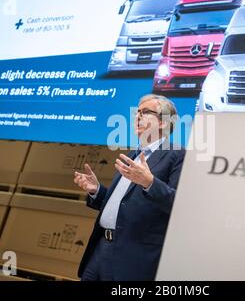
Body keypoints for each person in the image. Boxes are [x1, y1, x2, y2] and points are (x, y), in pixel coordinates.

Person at [74, 94, 185, 281]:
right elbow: (122, 204)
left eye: (146, 112)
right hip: (100, 248)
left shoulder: (177, 155)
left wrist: (149, 182)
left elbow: (178, 205)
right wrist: (97, 191)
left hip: (132, 256)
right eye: (137, 112)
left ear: (163, 123)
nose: (138, 116)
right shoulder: (133, 154)